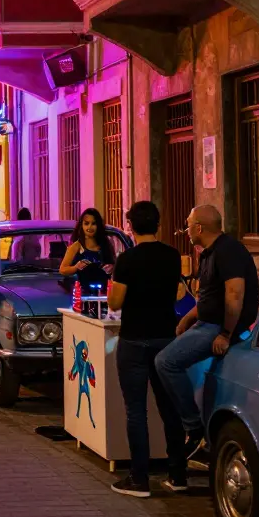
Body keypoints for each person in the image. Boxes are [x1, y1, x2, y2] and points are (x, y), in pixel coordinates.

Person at [154, 205, 259, 458]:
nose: (185, 229)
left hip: (217, 327)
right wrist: (188, 319)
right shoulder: (208, 254)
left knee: (165, 362)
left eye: (188, 224)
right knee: (178, 361)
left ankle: (193, 426)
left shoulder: (229, 251)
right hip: (206, 323)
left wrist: (225, 334)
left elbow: (235, 295)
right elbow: (207, 298)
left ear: (199, 227)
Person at [106, 201, 187, 498]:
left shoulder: (126, 260)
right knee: (169, 408)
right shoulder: (172, 256)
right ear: (158, 224)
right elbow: (177, 292)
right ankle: (178, 475)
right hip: (166, 338)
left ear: (131, 227)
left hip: (134, 339)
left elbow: (115, 303)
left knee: (136, 410)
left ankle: (139, 479)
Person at [58, 208, 116, 290]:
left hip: (104, 293)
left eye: (93, 223)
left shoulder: (106, 244)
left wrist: (111, 268)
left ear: (98, 225)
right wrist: (76, 267)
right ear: (81, 225)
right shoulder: (76, 246)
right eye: (86, 223)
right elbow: (62, 270)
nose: (90, 227)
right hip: (83, 293)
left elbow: (115, 266)